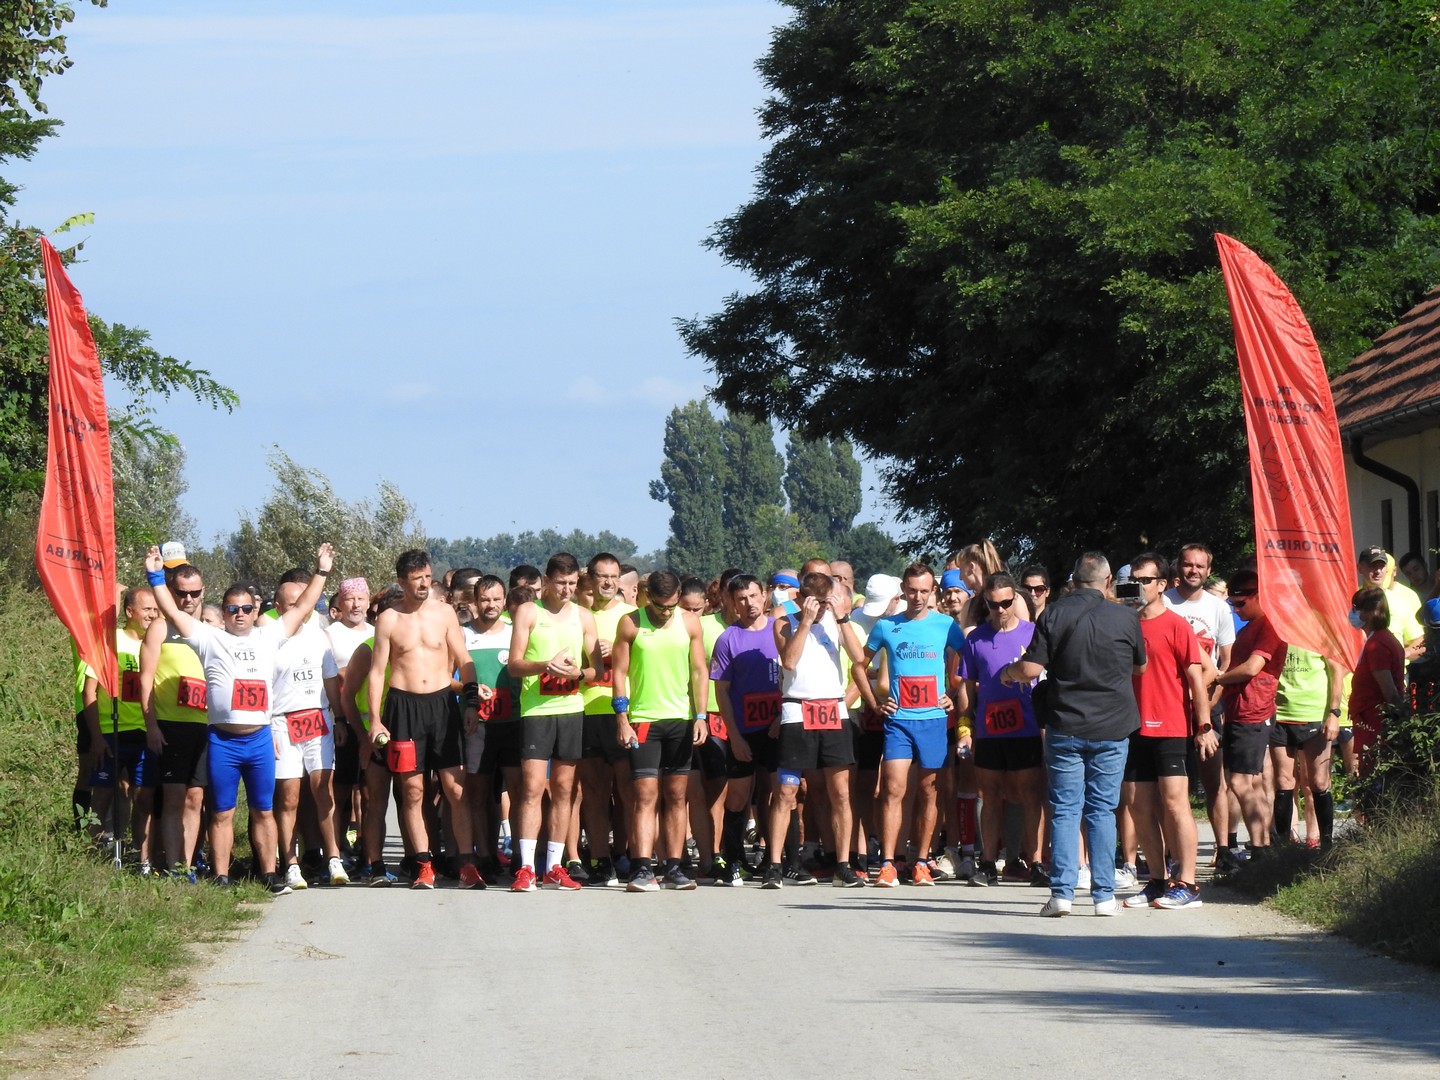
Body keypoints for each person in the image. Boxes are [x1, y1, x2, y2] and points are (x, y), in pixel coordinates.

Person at [144, 542, 335, 893]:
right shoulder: (208, 637)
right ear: (225, 611)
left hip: (259, 738)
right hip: (222, 740)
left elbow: (306, 605)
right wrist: (156, 575)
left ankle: (269, 873)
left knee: (264, 810)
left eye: (247, 608)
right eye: (233, 609)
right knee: (222, 812)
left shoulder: (269, 636)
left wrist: (321, 570)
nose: (240, 614)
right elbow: (172, 612)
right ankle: (221, 876)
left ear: (256, 609)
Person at [1003, 552, 1145, 917]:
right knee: (1102, 809)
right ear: (1108, 581)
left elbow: (1032, 667)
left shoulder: (1054, 613)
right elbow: (1140, 667)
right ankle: (1103, 897)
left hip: (1065, 724)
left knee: (1065, 809)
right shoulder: (1127, 617)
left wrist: (1010, 673)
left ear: (1073, 581)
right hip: (1113, 726)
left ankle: (1062, 894)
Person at [767, 570, 878, 889]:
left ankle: (842, 863)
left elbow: (859, 659)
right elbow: (788, 661)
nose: (820, 606)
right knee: (786, 790)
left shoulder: (840, 622)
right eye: (811, 599)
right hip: (797, 710)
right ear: (800, 598)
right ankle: (775, 864)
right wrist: (805, 621)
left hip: (832, 711)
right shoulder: (784, 623)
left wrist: (841, 618)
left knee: (841, 791)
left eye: (824, 599)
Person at [863, 562, 965, 887]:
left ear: (932, 591)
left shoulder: (946, 625)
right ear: (903, 591)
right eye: (912, 590)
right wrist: (875, 703)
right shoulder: (886, 626)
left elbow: (969, 660)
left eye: (924, 591)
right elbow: (858, 666)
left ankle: (921, 861)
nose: (918, 596)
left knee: (928, 792)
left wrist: (952, 692)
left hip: (934, 720)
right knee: (893, 788)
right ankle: (889, 863)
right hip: (899, 721)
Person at [1122, 553, 1212, 909]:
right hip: (1133, 728)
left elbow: (1198, 678)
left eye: (1146, 580)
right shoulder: (1126, 624)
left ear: (1162, 585)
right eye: (1134, 580)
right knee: (1139, 805)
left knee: (1175, 803)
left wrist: (1203, 726)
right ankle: (1157, 881)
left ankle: (1188, 884)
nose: (1139, 586)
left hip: (1171, 726)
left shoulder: (1176, 625)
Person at [610, 570, 709, 891]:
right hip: (643, 720)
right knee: (644, 796)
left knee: (677, 796)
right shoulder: (630, 623)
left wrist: (700, 715)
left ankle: (675, 867)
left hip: (680, 720)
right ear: (646, 596)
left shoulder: (690, 623)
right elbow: (619, 673)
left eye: (672, 606)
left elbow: (698, 671)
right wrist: (622, 719)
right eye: (660, 606)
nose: (666, 612)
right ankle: (641, 868)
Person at [507, 552, 600, 892]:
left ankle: (555, 866)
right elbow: (514, 665)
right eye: (561, 583)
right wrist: (546, 665)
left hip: (571, 709)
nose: (567, 590)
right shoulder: (529, 612)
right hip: (536, 711)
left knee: (565, 791)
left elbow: (598, 671)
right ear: (547, 580)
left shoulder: (584, 616)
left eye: (573, 584)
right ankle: (527, 867)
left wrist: (578, 673)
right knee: (531, 789)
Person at [959, 572, 1042, 888]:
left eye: (1007, 603)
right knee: (989, 796)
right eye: (994, 605)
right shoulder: (975, 639)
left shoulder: (1033, 634)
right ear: (986, 604)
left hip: (1027, 727)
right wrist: (965, 729)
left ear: (1015, 599)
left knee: (1031, 795)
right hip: (990, 730)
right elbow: (967, 688)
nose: (1002, 610)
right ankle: (989, 863)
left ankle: (1035, 863)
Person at [1164, 543, 1240, 869]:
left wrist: (1212, 701)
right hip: (1170, 705)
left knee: (1214, 781)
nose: (1193, 570)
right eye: (1187, 564)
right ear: (1177, 567)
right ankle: (1171, 854)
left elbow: (1227, 662)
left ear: (1208, 571)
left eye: (1199, 566)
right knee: (1171, 786)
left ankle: (1222, 850)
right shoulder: (1164, 602)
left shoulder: (1219, 608)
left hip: (1209, 704)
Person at [270, 570, 347, 889]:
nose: (298, 609)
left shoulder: (319, 636)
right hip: (281, 722)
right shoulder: (268, 638)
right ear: (278, 605)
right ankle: (290, 862)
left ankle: (334, 859)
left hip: (318, 721)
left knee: (323, 789)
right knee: (288, 797)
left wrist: (340, 719)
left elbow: (331, 683)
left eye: (303, 602)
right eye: (291, 604)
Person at [710, 574, 781, 885]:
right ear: (731, 603)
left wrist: (781, 718)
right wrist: (734, 736)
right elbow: (722, 691)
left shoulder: (780, 630)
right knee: (738, 797)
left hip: (778, 727)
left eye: (753, 596)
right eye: (741, 599)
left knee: (782, 793)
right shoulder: (728, 639)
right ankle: (733, 860)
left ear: (764, 595)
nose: (749, 604)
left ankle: (780, 861)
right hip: (744, 731)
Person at [140, 562, 210, 877]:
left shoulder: (209, 631)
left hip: (205, 726)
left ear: (203, 591)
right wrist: (151, 725)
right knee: (173, 796)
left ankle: (188, 861)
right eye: (182, 593)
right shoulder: (159, 627)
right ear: (171, 592)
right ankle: (174, 866)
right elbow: (145, 680)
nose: (188, 599)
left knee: (196, 797)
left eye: (195, 593)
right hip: (170, 725)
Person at [84, 586, 161, 868]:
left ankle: (143, 860)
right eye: (147, 609)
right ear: (129, 612)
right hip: (110, 732)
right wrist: (96, 737)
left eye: (156, 609)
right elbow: (89, 692)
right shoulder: (109, 641)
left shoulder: (157, 644)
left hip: (144, 733)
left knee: (144, 797)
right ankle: (91, 854)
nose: (153, 615)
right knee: (103, 795)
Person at [1214, 568, 1286, 857]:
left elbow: (1253, 667)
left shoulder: (1269, 626)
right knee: (1251, 782)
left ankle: (1260, 850)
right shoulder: (1251, 626)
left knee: (1240, 782)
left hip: (1252, 712)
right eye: (1231, 603)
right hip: (1242, 711)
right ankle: (1262, 848)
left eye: (1240, 603)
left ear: (1259, 596)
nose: (1235, 608)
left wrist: (1218, 677)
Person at [578, 553, 636, 887]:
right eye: (602, 576)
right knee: (595, 793)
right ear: (591, 577)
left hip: (622, 713)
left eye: (614, 577)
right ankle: (600, 859)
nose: (608, 582)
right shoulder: (578, 615)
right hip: (585, 710)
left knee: (629, 791)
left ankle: (627, 853)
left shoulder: (631, 616)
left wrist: (615, 647)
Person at [459, 575, 520, 883]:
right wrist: (469, 692)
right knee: (479, 796)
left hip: (513, 724)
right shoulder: (463, 635)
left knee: (519, 793)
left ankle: (522, 856)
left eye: (497, 599)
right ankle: (485, 856)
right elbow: (447, 677)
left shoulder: (516, 633)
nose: (491, 605)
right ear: (475, 601)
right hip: (478, 725)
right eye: (485, 599)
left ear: (505, 600)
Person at [1271, 645, 1341, 850]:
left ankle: (1327, 845)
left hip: (1313, 715)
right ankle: (1283, 851)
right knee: (1283, 781)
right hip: (1280, 715)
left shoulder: (1317, 631)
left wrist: (1334, 713)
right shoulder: (1276, 630)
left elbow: (1336, 670)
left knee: (1318, 782)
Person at [1349, 586, 1405, 780]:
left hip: (1376, 722)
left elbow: (1389, 690)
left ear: (1371, 611)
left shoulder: (1377, 645)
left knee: (1374, 777)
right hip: (1371, 721)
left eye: (1356, 607)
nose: (1352, 612)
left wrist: (1399, 722)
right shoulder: (1379, 639)